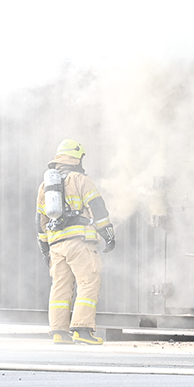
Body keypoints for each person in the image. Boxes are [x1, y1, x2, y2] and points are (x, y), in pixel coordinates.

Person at [36, 139, 116, 345]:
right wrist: (107, 233)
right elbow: (97, 207)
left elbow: (41, 222)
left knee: (60, 287)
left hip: (56, 246)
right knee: (88, 282)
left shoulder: (45, 186)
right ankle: (82, 328)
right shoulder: (80, 179)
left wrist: (45, 250)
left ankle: (58, 332)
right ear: (77, 158)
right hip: (79, 243)